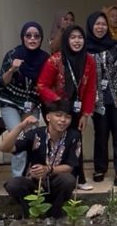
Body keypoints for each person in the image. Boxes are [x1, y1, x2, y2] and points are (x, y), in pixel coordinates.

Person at [0, 101, 82, 219]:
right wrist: (20, 126)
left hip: (56, 185)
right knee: (14, 184)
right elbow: (4, 148)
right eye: (58, 115)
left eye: (67, 117)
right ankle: (31, 216)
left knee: (68, 180)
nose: (63, 120)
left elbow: (70, 166)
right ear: (48, 117)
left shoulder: (74, 136)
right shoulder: (35, 134)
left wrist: (48, 169)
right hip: (34, 185)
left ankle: (55, 216)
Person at [37, 24, 96, 188]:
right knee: (55, 143)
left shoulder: (89, 61)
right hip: (57, 109)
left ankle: (78, 180)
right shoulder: (55, 60)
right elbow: (42, 85)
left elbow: (91, 88)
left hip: (76, 109)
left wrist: (86, 114)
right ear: (66, 40)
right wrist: (58, 103)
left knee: (75, 142)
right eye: (73, 37)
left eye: (80, 37)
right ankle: (51, 178)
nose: (77, 41)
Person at [0, 21, 47, 178]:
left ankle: (31, 178)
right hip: (10, 102)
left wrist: (34, 103)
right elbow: (1, 82)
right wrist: (12, 69)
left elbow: (46, 85)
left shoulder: (45, 58)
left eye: (36, 36)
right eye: (28, 35)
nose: (32, 39)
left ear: (41, 39)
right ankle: (18, 181)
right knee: (19, 139)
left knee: (31, 141)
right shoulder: (13, 55)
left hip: (31, 104)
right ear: (22, 37)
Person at [85, 12, 117, 185]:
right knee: (101, 135)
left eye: (103, 24)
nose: (100, 27)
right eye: (97, 24)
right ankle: (99, 168)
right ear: (90, 26)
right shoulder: (85, 49)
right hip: (97, 100)